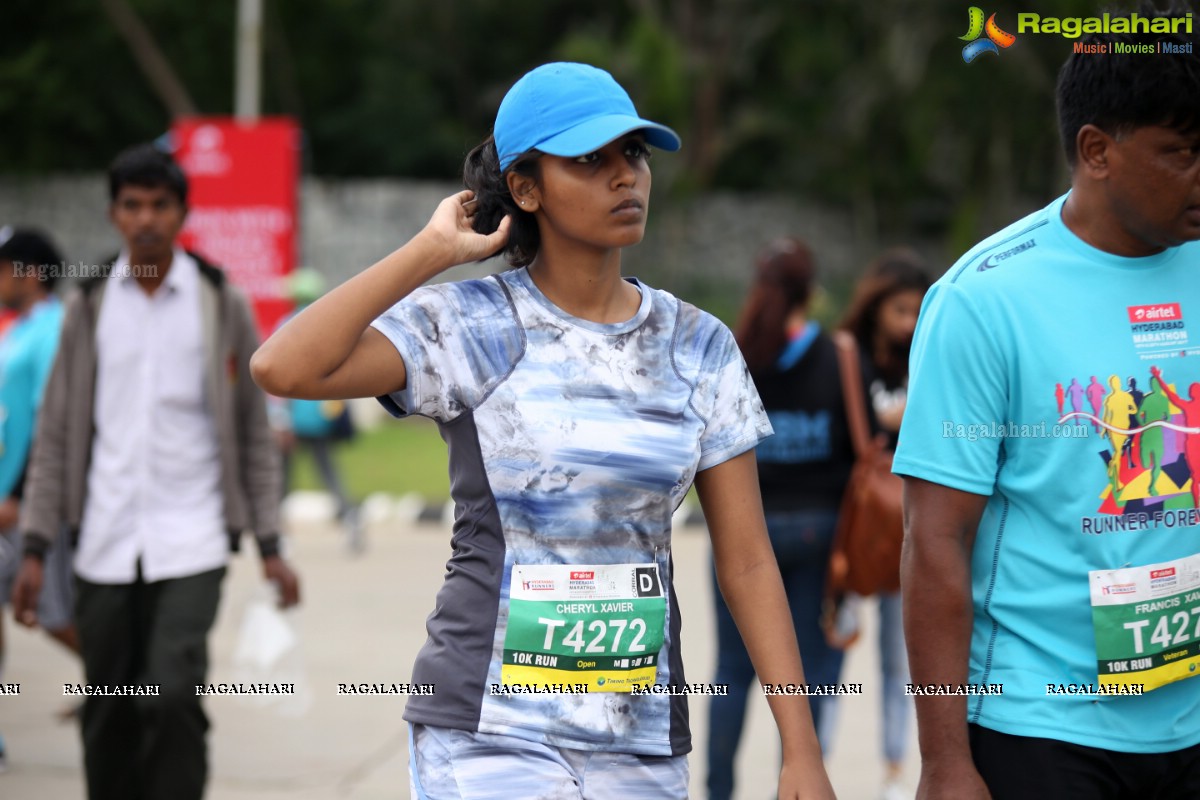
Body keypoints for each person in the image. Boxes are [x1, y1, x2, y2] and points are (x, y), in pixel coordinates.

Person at [251, 62, 834, 799]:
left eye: (634, 155)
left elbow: (748, 561)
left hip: (641, 738)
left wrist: (801, 751)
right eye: (591, 160)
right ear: (526, 188)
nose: (625, 177)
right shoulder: (470, 325)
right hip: (487, 730)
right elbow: (283, 366)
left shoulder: (699, 346)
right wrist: (431, 252)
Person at [893, 9, 1200, 799]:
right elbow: (936, 540)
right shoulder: (984, 300)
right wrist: (944, 761)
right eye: (1182, 153)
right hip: (1043, 728)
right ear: (1096, 150)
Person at [9, 143, 301, 800]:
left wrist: (271, 546)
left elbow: (253, 435)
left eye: (160, 205)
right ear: (114, 213)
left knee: (171, 697)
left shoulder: (219, 302)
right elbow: (55, 433)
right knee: (109, 706)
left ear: (182, 213)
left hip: (192, 536)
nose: (146, 219)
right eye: (132, 205)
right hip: (103, 542)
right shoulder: (87, 305)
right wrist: (33, 547)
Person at [706, 238, 855, 799]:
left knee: (730, 676)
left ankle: (718, 790)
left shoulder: (733, 351)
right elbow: (853, 446)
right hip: (821, 535)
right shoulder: (839, 357)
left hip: (742, 535)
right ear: (811, 294)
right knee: (810, 676)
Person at [838, 248, 930, 800]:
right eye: (900, 310)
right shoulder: (847, 360)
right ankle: (813, 765)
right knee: (831, 651)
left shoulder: (929, 354)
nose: (910, 323)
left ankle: (895, 772)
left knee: (902, 662)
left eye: (918, 310)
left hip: (905, 522)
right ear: (875, 307)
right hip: (853, 523)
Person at [0, 227, 79, 771]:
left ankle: (138, 689)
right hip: (11, 499)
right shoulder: (23, 328)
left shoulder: (53, 328)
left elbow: (53, 418)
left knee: (49, 612)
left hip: (26, 504)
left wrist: (20, 493)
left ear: (28, 273)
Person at [270, 268, 364, 553]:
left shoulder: (285, 325)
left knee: (282, 480)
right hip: (322, 417)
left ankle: (277, 534)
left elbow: (276, 376)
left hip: (293, 420)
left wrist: (279, 418)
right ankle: (351, 522)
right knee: (329, 473)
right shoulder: (329, 325)